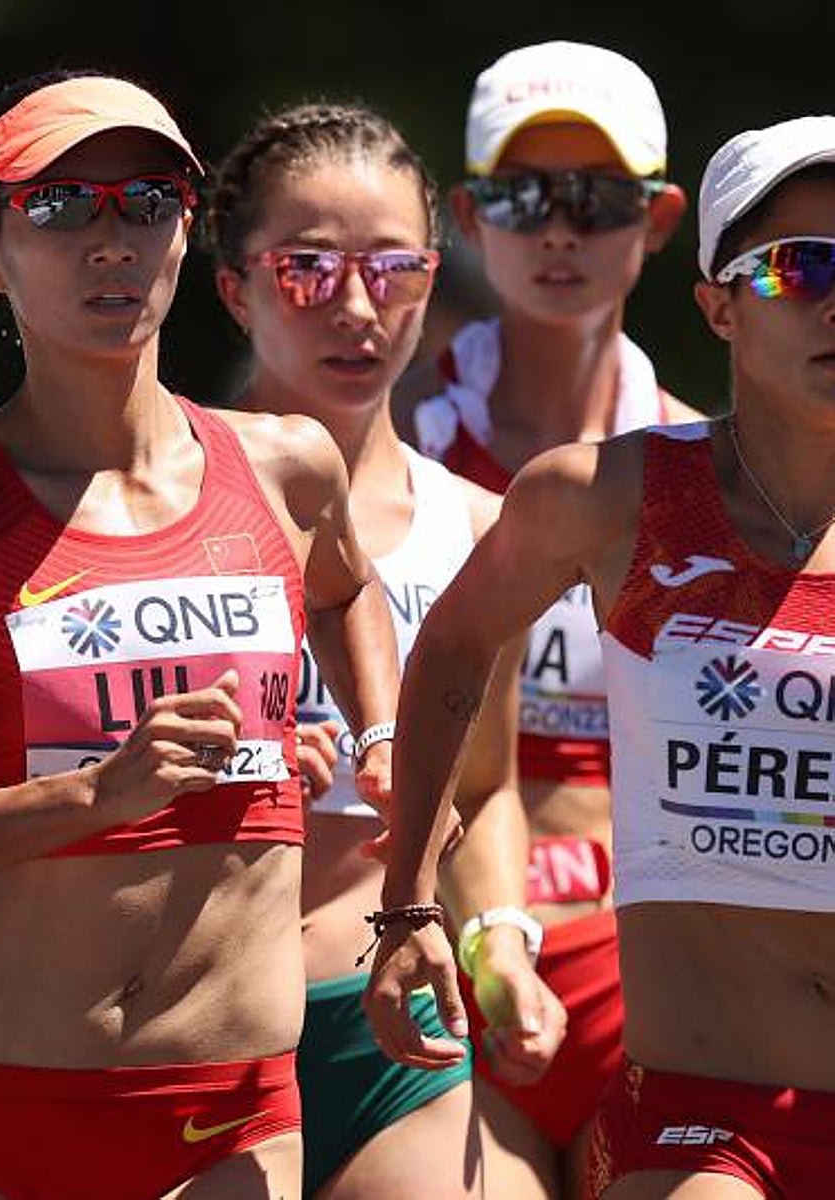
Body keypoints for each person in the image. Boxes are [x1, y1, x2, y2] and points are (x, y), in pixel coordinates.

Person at [0, 69, 403, 1200]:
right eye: (57, 207)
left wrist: (378, 730)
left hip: (227, 1112)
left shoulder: (286, 466)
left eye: (146, 202)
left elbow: (344, 593)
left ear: (186, 233)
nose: (111, 241)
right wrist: (101, 795)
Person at [366, 114, 835, 1200]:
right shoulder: (606, 496)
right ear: (717, 303)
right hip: (707, 1122)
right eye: (795, 268)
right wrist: (407, 910)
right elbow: (452, 651)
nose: (830, 298)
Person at [207, 100, 565, 1200]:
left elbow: (491, 784)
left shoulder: (478, 526)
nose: (358, 308)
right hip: (183, 1030)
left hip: (392, 1028)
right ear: (235, 287)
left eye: (395, 270)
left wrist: (501, 936)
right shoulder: (151, 506)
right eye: (309, 270)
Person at [389, 40, 696, 1199]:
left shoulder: (707, 459)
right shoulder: (388, 447)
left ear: (659, 221)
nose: (560, 230)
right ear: (468, 215)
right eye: (524, 197)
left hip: (651, 977)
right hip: (436, 956)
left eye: (598, 199)